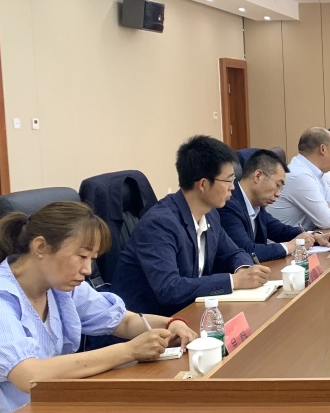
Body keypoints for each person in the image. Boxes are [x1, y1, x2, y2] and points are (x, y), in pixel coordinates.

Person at [0, 202, 199, 413]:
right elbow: (29, 375)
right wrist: (129, 351)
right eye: (82, 256)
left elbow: (123, 321)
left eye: (92, 259)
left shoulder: (60, 286)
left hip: (41, 411)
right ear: (40, 247)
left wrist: (170, 325)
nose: (87, 269)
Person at [113, 135, 270, 316]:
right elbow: (169, 289)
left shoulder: (210, 214)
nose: (232, 187)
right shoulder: (159, 224)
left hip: (189, 312)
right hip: (149, 323)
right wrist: (235, 281)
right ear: (203, 184)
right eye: (228, 180)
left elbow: (234, 253)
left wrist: (244, 270)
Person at [218, 149, 329, 263]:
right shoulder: (228, 205)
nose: (278, 194)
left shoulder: (257, 204)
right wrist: (292, 245)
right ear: (258, 176)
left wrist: (313, 236)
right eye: (278, 185)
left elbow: (280, 231)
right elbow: (247, 250)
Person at [269, 127, 330, 231]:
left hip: (307, 236)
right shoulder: (300, 175)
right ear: (323, 149)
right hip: (289, 239)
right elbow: (327, 221)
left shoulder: (314, 171)